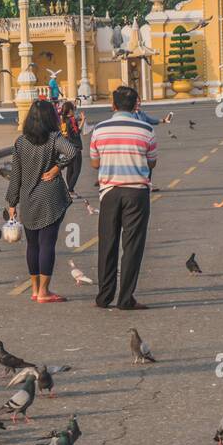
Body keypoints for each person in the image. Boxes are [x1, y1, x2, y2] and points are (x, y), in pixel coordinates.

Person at [89, 85, 157, 310]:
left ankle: (104, 296)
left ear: (113, 105)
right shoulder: (146, 129)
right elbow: (152, 160)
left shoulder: (99, 129)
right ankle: (126, 298)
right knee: (132, 245)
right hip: (137, 192)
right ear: (136, 104)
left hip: (109, 192)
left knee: (108, 243)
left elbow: (95, 162)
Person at [6, 100, 77, 304]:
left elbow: (15, 176)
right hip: (49, 197)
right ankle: (45, 292)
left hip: (28, 199)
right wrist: (57, 168)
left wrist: (12, 202)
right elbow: (72, 152)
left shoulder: (20, 142)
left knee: (32, 245)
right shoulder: (54, 138)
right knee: (47, 244)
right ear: (50, 118)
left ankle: (36, 289)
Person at [57, 99, 84, 196]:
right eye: (73, 109)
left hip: (67, 148)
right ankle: (70, 189)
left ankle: (70, 191)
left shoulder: (63, 120)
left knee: (70, 169)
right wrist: (83, 121)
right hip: (75, 148)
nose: (74, 111)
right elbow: (77, 133)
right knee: (76, 170)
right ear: (70, 110)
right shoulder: (72, 120)